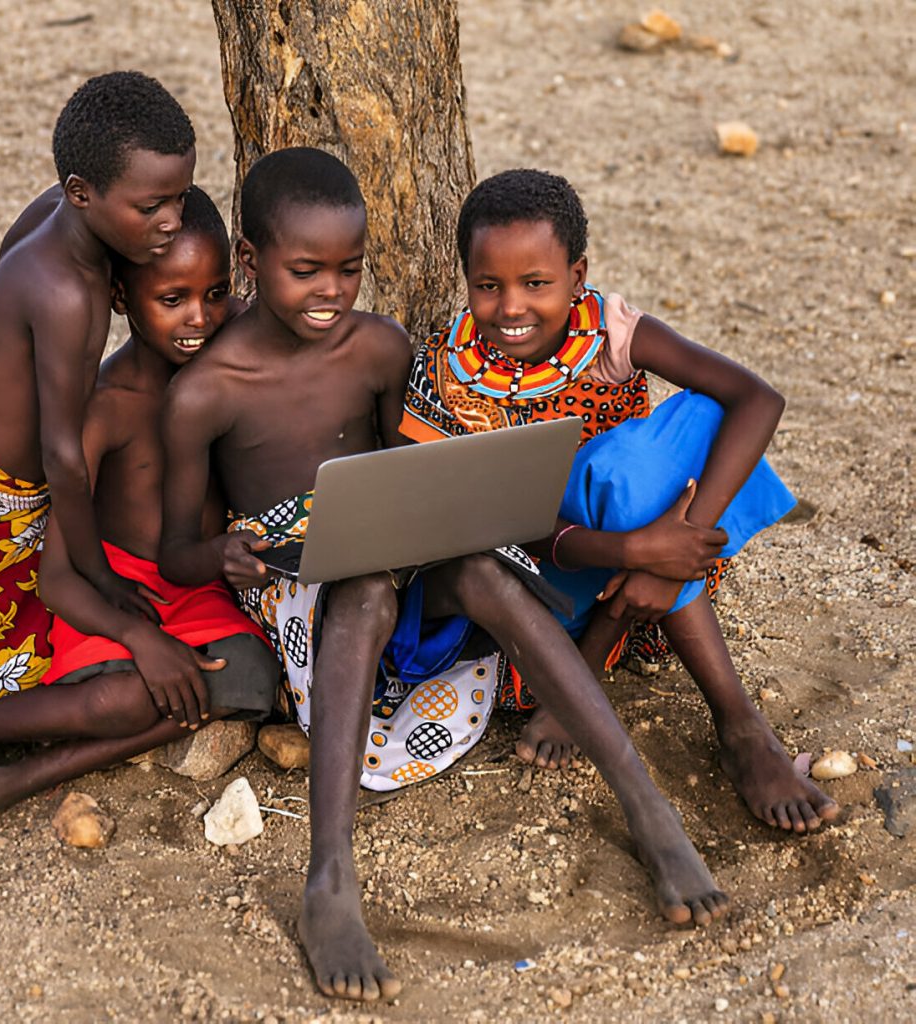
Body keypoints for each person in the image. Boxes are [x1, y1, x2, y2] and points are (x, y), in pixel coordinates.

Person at [159, 148, 730, 1005]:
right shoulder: (206, 392)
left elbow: (410, 470)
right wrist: (220, 557)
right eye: (305, 270)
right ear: (251, 261)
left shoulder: (382, 346)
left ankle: (647, 809)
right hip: (300, 580)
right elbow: (175, 550)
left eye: (349, 270)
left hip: (400, 543)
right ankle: (329, 876)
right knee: (360, 583)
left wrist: (444, 522)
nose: (330, 292)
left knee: (477, 568)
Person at [401, 168, 838, 835]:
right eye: (488, 286)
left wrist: (677, 540)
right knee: (621, 482)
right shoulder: (450, 371)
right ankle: (714, 710)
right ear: (466, 280)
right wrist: (639, 550)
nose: (511, 307)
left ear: (577, 277)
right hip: (543, 579)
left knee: (677, 434)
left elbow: (758, 398)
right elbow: (497, 525)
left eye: (536, 284)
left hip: (647, 545)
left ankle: (723, 705)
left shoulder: (609, 329)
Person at [0, 187, 277, 862]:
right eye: (173, 299)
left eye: (216, 294)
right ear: (124, 301)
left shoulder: (232, 345)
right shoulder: (106, 406)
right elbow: (57, 579)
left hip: (195, 583)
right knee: (134, 697)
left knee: (247, 673)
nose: (200, 317)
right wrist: (135, 633)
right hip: (112, 593)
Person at [0, 71, 196, 729]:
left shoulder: (52, 215)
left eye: (180, 198)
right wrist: (100, 582)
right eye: (151, 208)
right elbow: (63, 457)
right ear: (83, 194)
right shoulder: (68, 293)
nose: (172, 222)